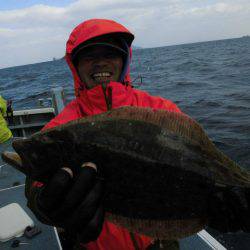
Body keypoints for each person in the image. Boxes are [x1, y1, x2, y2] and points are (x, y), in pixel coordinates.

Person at [24, 19, 249, 250]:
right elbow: (36, 181)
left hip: (161, 244)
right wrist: (42, 203)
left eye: (110, 54)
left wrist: (227, 196)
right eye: (90, 56)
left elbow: (198, 160)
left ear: (124, 60)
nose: (100, 63)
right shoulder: (59, 128)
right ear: (76, 66)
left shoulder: (162, 110)